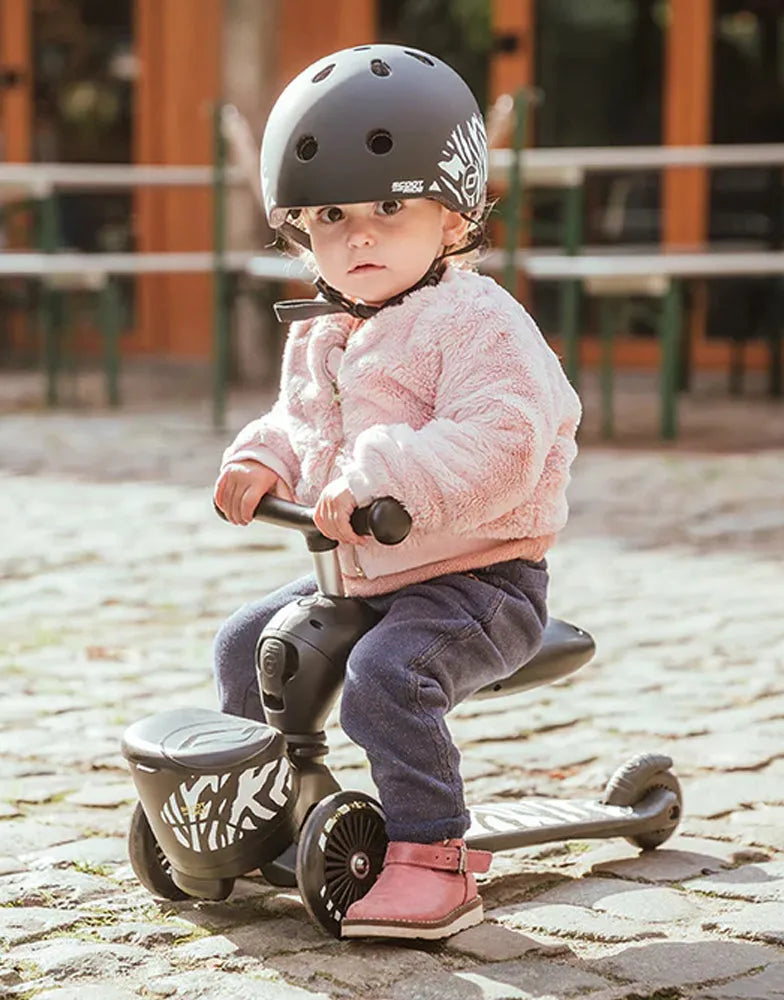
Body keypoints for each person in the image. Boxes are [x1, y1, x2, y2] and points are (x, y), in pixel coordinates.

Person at [213, 44, 581, 940]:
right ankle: (263, 802)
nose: (360, 236)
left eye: (389, 207)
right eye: (332, 216)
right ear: (299, 226)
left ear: (455, 222)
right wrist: (265, 461)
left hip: (479, 580)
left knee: (387, 678)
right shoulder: (327, 328)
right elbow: (304, 425)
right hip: (365, 575)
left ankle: (432, 857)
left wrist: (383, 474)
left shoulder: (479, 322)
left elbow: (506, 441)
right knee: (243, 645)